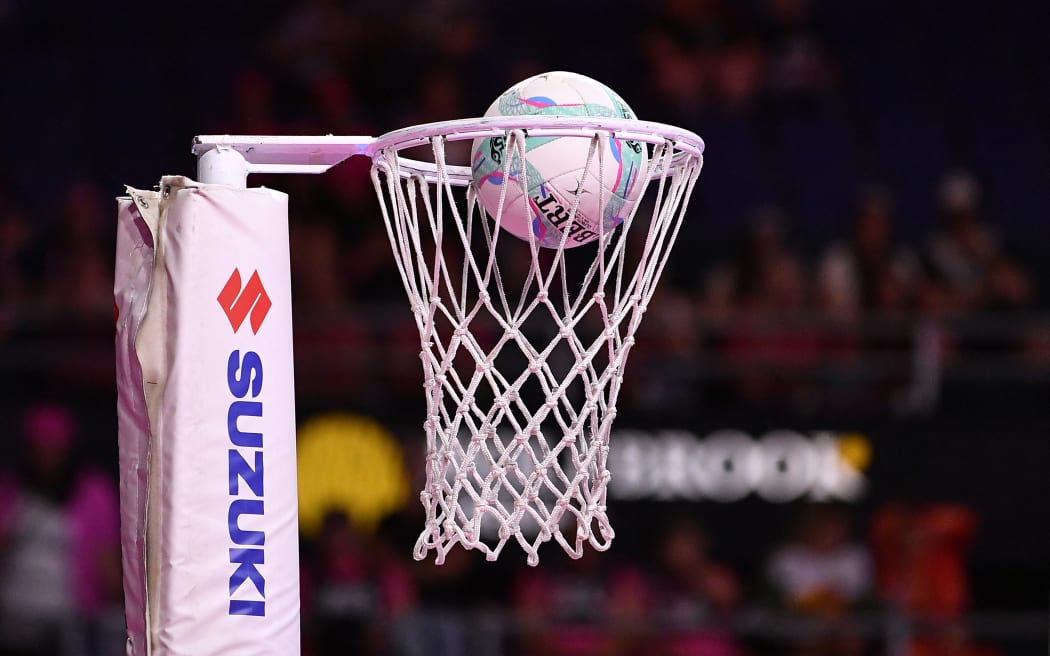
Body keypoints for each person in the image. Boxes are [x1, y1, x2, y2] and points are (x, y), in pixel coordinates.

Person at [0, 403, 121, 656]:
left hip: (69, 619)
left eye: (54, 448)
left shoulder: (92, 493)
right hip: (15, 615)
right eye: (39, 448)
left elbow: (106, 563)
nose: (47, 457)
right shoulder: (10, 491)